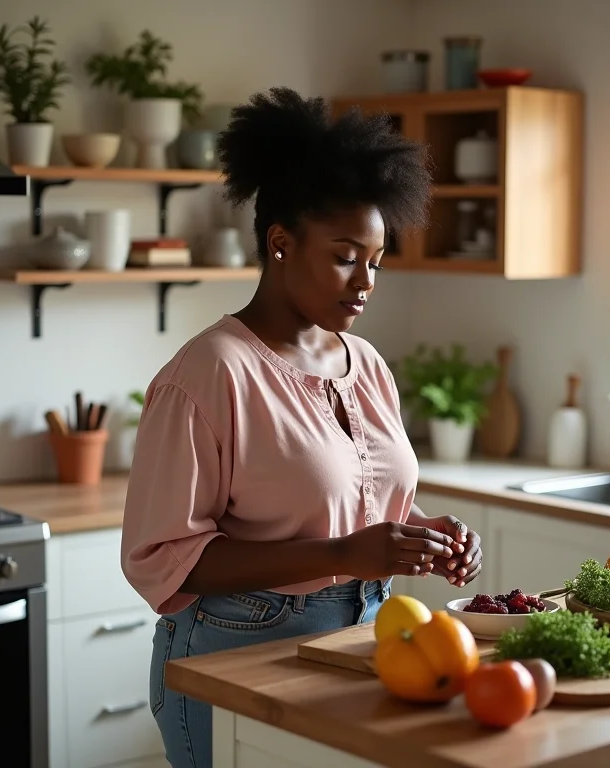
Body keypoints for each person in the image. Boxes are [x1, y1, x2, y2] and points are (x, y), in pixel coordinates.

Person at [121, 86, 483, 768]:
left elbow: (363, 502)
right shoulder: (209, 372)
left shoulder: (366, 364)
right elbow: (168, 558)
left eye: (376, 261)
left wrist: (422, 535)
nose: (367, 281)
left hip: (368, 640)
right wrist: (347, 554)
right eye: (347, 256)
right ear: (281, 243)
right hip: (234, 651)